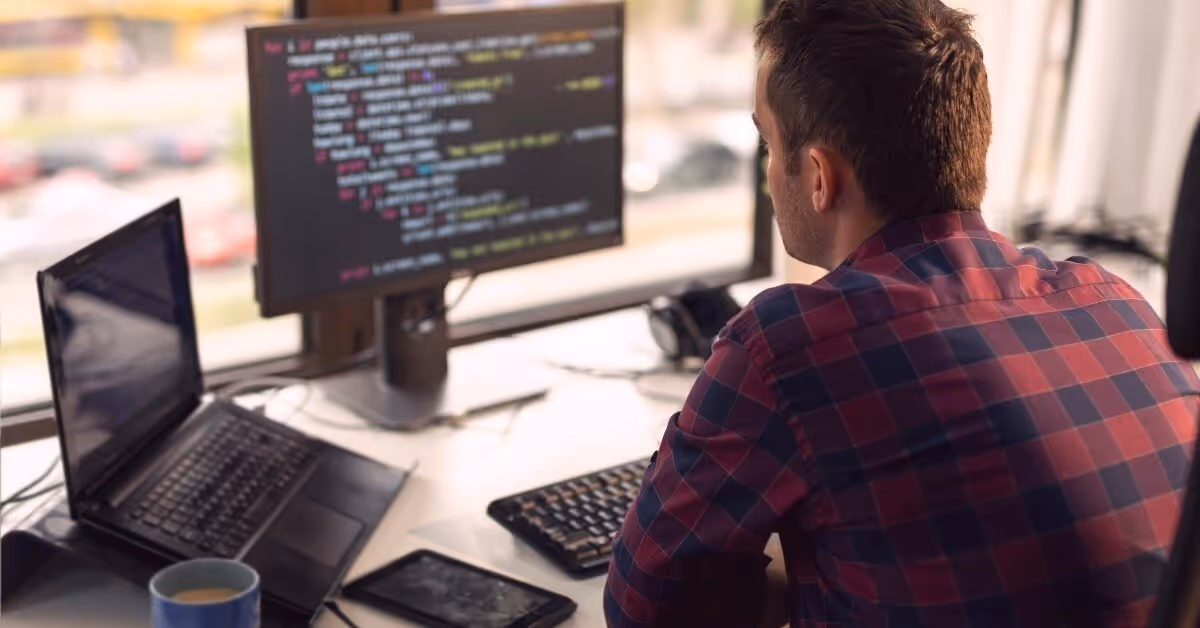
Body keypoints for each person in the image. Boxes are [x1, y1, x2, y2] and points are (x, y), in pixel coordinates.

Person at [603, 0, 1200, 626]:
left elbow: (648, 607)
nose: (764, 173)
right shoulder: (1113, 301)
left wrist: (802, 572)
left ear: (816, 176)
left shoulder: (786, 345)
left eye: (766, 141)